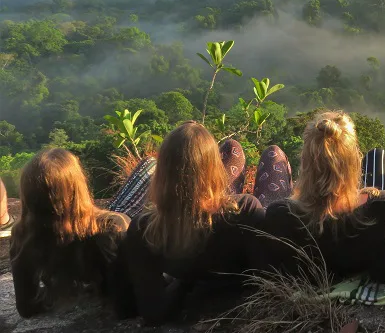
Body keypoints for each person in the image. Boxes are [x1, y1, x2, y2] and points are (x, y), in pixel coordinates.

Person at [124, 121, 271, 324]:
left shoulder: (143, 228)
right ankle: (218, 179)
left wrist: (184, 282)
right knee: (240, 149)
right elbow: (264, 280)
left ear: (162, 172)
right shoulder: (245, 208)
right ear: (215, 167)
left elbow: (153, 312)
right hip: (235, 300)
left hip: (186, 291)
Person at [258, 111, 385, 281]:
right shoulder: (382, 205)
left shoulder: (280, 215)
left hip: (306, 292)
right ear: (354, 161)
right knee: (379, 156)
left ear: (305, 162)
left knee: (273, 153)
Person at [10, 149, 132, 318]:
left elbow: (26, 307)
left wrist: (63, 294)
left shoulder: (23, 234)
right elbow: (126, 302)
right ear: (79, 186)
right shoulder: (110, 227)